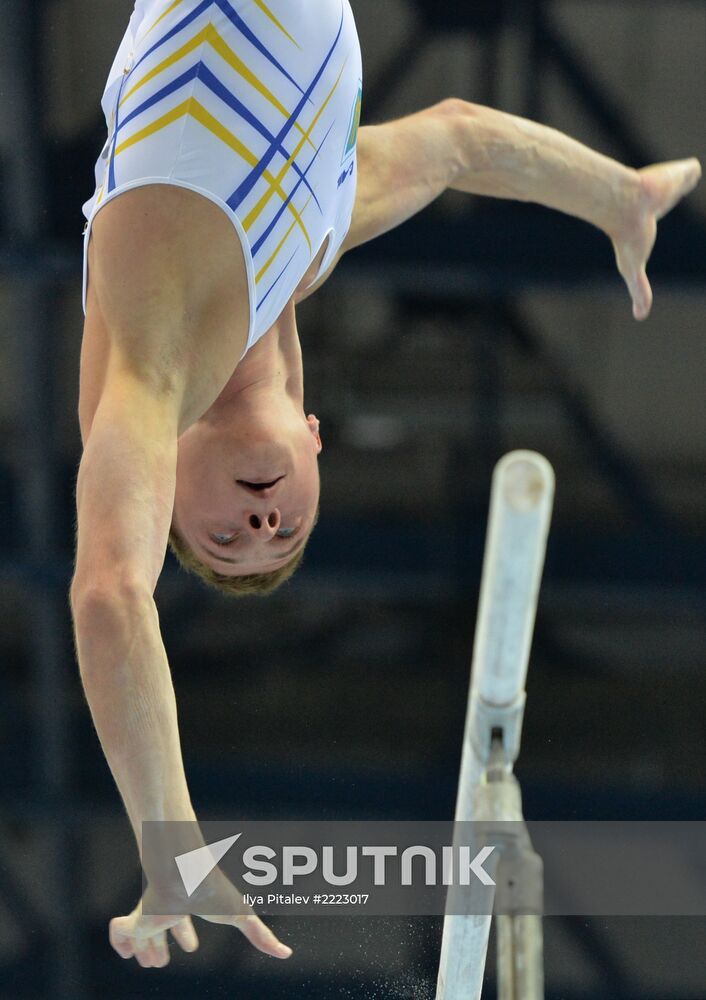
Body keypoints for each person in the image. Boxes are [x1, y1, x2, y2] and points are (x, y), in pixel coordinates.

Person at [70, 0, 701, 972]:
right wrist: (614, 194)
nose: (262, 520)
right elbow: (454, 138)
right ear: (316, 441)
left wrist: (170, 839)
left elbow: (112, 592)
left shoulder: (150, 370)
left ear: (164, 477)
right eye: (281, 534)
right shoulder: (314, 237)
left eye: (227, 538)